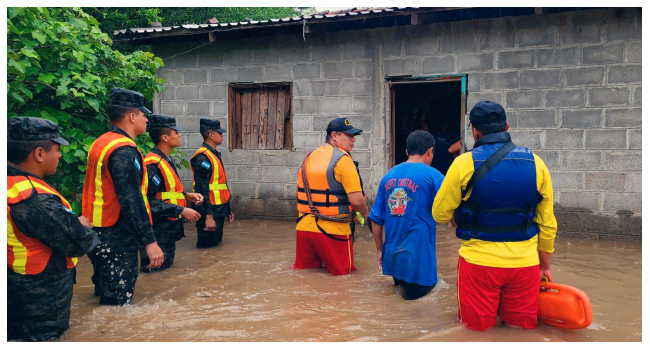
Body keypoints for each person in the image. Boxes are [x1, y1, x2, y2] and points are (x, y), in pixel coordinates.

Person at [432, 100, 557, 331]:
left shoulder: (462, 164)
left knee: (476, 333)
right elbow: (547, 224)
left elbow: (439, 215)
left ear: (475, 131)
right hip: (525, 266)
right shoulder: (537, 164)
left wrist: (455, 218)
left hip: (478, 265)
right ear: (507, 126)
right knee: (520, 333)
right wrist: (545, 266)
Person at [7, 117, 98, 341]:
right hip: (38, 305)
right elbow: (79, 242)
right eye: (57, 149)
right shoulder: (34, 199)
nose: (59, 155)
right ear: (39, 153)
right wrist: (82, 224)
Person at [82, 87, 164, 305]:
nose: (146, 119)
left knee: (105, 296)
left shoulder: (101, 142)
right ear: (132, 116)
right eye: (143, 114)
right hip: (116, 235)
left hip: (97, 232)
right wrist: (150, 241)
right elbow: (131, 199)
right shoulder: (123, 150)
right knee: (118, 304)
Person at [369, 130, 444, 300]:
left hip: (394, 257)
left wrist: (380, 250)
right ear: (430, 151)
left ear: (407, 152)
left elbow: (375, 219)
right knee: (420, 312)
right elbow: (450, 209)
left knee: (401, 300)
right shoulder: (434, 176)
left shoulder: (388, 176)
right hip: (419, 261)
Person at [293, 117, 369, 276]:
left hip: (304, 230)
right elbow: (356, 201)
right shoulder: (343, 159)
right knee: (343, 280)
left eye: (354, 136)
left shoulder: (309, 157)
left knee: (304, 277)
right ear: (334, 135)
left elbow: (299, 192)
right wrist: (365, 213)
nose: (353, 139)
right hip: (333, 231)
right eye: (349, 135)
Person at [142, 115, 204, 272]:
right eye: (176, 132)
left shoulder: (166, 160)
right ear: (164, 137)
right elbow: (148, 201)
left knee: (165, 276)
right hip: (157, 233)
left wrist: (186, 195)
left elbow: (164, 193)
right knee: (155, 276)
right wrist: (181, 210)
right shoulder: (152, 164)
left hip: (168, 230)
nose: (180, 135)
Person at [190, 118, 234, 248]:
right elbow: (201, 189)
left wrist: (228, 210)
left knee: (216, 246)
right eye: (219, 133)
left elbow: (221, 185)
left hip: (219, 208)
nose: (222, 135)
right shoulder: (202, 157)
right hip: (209, 210)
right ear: (211, 135)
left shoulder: (213, 154)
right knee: (207, 248)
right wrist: (208, 216)